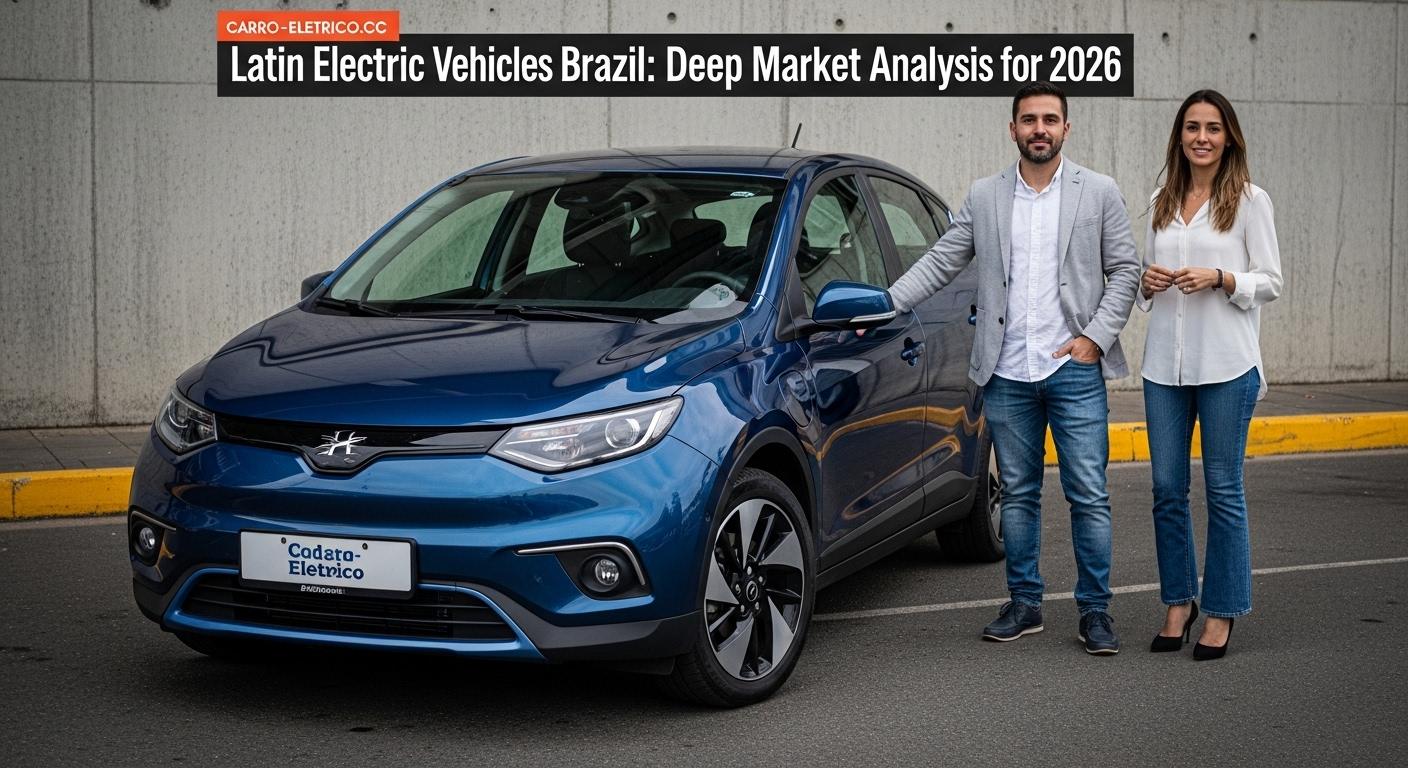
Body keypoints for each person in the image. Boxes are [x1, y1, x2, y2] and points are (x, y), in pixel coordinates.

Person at [884, 82, 1141, 654]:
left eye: (1050, 119)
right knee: (1018, 494)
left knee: (1088, 496)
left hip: (1072, 368)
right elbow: (942, 260)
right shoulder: (985, 196)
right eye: (1029, 119)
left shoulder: (1097, 192)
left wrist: (1094, 339)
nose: (1040, 128)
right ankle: (1024, 604)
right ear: (1013, 129)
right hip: (1005, 371)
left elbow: (1126, 270)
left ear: (1066, 129)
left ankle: (1096, 611)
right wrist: (887, 304)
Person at [1138, 90, 1281, 660]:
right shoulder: (1160, 199)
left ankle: (1221, 610)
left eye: (1213, 128)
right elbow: (1146, 287)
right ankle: (1179, 602)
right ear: (1180, 136)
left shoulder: (1250, 200)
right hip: (1163, 369)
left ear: (1229, 138)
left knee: (1223, 491)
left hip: (1226, 364)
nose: (1202, 137)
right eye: (1192, 127)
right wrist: (1147, 287)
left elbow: (1270, 280)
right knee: (1167, 491)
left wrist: (1223, 277)